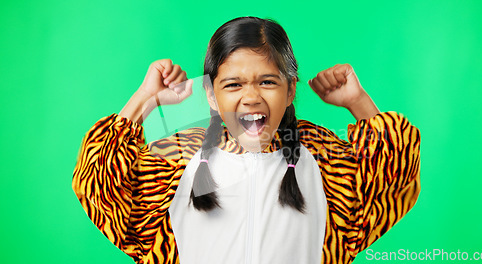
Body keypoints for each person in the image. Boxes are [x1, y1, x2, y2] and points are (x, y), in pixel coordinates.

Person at [72, 16, 420, 264]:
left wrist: (358, 103)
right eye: (233, 84)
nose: (251, 97)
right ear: (210, 94)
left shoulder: (321, 155)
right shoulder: (178, 157)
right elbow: (98, 184)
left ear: (291, 90)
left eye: (267, 82)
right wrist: (146, 99)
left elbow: (394, 176)